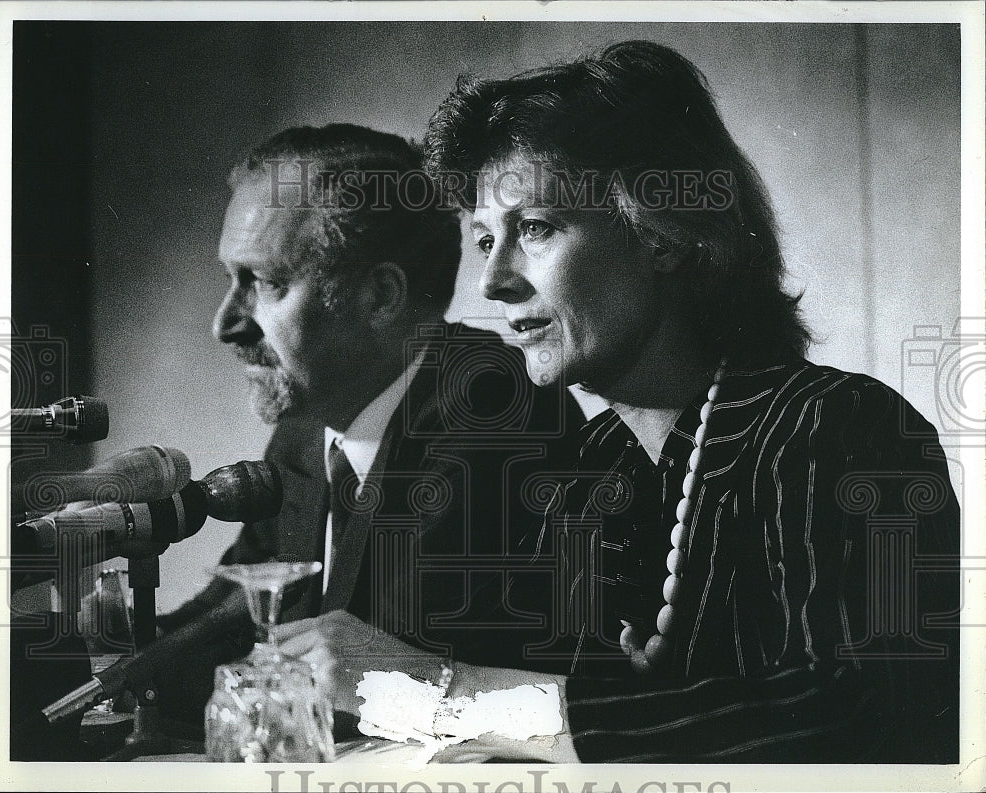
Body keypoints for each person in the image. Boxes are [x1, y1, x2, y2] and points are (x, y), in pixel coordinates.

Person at [281, 42, 960, 764]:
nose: (491, 280)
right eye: (484, 239)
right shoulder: (589, 465)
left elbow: (849, 713)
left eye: (535, 228)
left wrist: (441, 695)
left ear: (661, 234)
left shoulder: (842, 428)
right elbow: (530, 697)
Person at [151, 124, 584, 726]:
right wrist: (128, 649)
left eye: (264, 282)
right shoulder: (306, 433)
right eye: (233, 279)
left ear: (380, 295)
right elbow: (236, 617)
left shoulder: (496, 414)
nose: (226, 324)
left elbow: (386, 675)